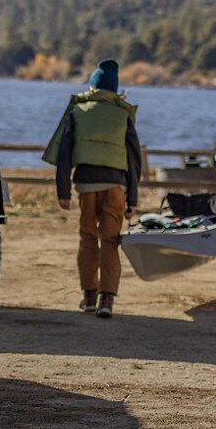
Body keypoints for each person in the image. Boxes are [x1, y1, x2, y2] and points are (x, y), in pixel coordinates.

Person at [43, 59, 142, 319]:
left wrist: (63, 191)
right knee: (110, 240)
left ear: (93, 86)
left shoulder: (78, 111)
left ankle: (88, 297)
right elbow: (133, 160)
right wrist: (132, 199)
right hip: (116, 186)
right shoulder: (123, 115)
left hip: (86, 185)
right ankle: (106, 300)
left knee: (88, 238)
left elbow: (64, 153)